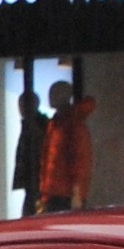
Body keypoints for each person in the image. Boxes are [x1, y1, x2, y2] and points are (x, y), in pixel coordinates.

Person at [39, 85, 95, 213]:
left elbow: (79, 159)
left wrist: (77, 192)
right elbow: (47, 160)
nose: (50, 96)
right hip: (54, 191)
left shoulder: (72, 124)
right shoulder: (55, 123)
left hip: (65, 193)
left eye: (55, 93)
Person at [10, 87, 47, 216]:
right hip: (35, 182)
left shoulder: (37, 127)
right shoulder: (33, 125)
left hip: (38, 182)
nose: (20, 109)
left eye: (22, 105)